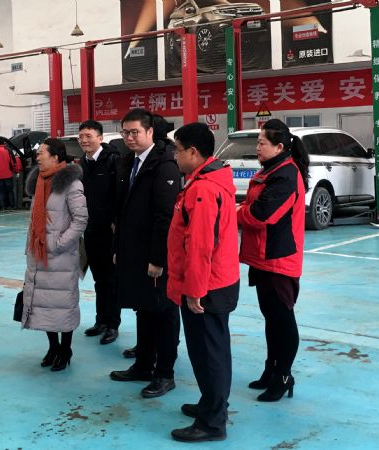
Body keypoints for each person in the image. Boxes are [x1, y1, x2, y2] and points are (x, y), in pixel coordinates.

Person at [166, 123, 239, 442]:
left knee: (209, 353)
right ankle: (212, 403)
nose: (175, 156)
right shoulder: (206, 180)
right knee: (211, 349)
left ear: (193, 152)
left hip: (207, 285)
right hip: (214, 280)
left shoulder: (204, 189)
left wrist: (195, 290)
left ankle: (212, 423)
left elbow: (200, 245)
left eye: (178, 150)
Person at [110, 108, 181, 398]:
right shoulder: (130, 162)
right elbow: (121, 212)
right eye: (125, 132)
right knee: (144, 308)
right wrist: (119, 248)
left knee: (164, 311)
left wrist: (157, 259)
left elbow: (165, 217)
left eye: (135, 132)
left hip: (155, 255)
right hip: (134, 250)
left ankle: (165, 373)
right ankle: (143, 365)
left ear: (150, 132)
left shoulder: (164, 165)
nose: (129, 137)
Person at [237, 118, 309, 402]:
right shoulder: (271, 170)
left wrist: (234, 212)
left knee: (282, 319)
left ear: (279, 147)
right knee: (271, 318)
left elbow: (261, 214)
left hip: (279, 258)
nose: (257, 147)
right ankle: (271, 369)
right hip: (263, 257)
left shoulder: (286, 175)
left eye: (262, 143)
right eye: (257, 142)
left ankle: (283, 376)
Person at [22, 138, 88, 372]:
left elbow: (80, 220)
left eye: (42, 153)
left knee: (63, 303)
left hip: (61, 256)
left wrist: (58, 244)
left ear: (56, 157)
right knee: (44, 304)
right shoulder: (39, 181)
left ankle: (65, 349)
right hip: (39, 254)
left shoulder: (72, 184)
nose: (37, 156)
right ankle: (53, 346)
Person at [78, 120, 121, 345]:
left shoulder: (113, 161)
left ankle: (113, 324)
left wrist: (116, 221)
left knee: (111, 279)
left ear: (100, 138)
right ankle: (101, 321)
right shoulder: (82, 164)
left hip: (109, 231)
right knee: (98, 279)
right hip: (90, 229)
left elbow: (120, 194)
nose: (84, 140)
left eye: (89, 136)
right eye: (81, 137)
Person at [0, 143, 15, 210]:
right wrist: (15, 170)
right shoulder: (8, 150)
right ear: (4, 143)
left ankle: (3, 207)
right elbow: (13, 162)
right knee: (10, 191)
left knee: (1, 192)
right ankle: (12, 206)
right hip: (8, 175)